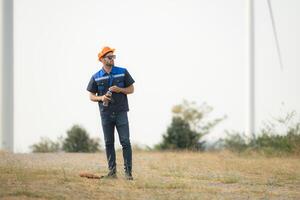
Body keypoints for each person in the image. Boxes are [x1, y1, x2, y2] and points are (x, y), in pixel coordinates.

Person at [87, 46, 135, 180]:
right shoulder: (96, 77)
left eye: (113, 56)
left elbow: (131, 89)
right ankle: (112, 173)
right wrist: (101, 98)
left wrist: (120, 89)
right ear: (102, 59)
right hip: (105, 114)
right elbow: (91, 96)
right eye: (109, 57)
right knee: (109, 143)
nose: (112, 59)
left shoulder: (122, 72)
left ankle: (128, 174)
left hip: (121, 112)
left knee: (125, 141)